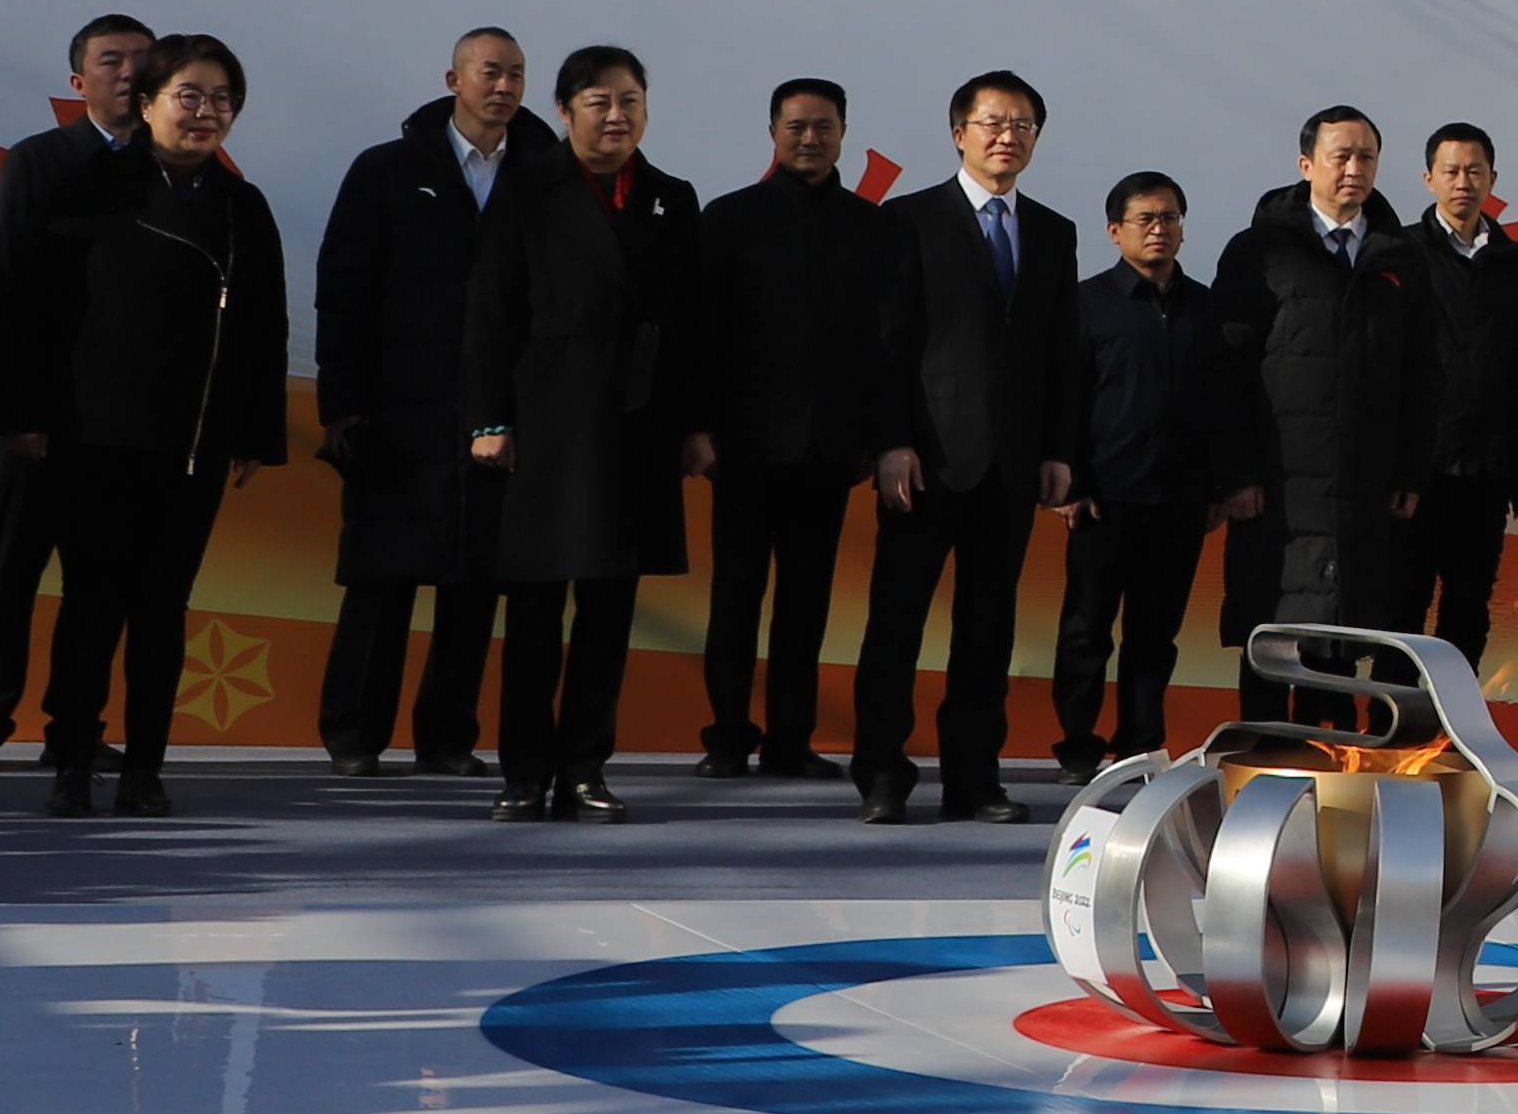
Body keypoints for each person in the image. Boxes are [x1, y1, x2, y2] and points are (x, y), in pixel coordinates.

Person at [0, 34, 289, 815]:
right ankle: (73, 762)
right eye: (189, 96)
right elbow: (29, 308)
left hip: (191, 444)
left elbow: (266, 328)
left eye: (223, 99)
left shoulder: (241, 205)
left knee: (164, 607)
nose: (207, 113)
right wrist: (21, 412)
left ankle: (146, 768)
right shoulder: (90, 185)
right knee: (91, 601)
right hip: (91, 435)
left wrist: (257, 431)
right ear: (147, 101)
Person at [462, 44, 711, 823]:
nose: (617, 115)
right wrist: (490, 419)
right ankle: (523, 773)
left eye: (630, 100)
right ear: (566, 111)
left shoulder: (672, 197)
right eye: (599, 102)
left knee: (609, 610)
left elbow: (697, 327)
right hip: (546, 419)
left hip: (637, 427)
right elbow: (489, 311)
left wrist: (697, 424)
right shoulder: (526, 188)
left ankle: (584, 768)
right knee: (535, 611)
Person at [311, 30, 537, 778]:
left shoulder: (543, 175)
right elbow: (342, 294)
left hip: (495, 414)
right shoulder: (387, 169)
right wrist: (342, 405)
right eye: (488, 73)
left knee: (475, 584)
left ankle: (446, 739)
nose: (502, 87)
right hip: (396, 412)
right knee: (381, 578)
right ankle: (352, 734)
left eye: (514, 75)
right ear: (453, 79)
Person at [860, 70, 1081, 824]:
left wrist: (1059, 450)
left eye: (1022, 124)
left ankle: (974, 778)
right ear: (960, 132)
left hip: (1013, 465)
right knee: (897, 622)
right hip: (924, 461)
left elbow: (1060, 351)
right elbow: (884, 346)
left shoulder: (1053, 232)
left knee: (989, 630)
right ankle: (883, 773)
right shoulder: (908, 220)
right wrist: (891, 442)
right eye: (992, 122)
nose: (1007, 136)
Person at [0, 11, 153, 768]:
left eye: (142, 61)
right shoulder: (38, 160)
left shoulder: (174, 170)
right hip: (37, 404)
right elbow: (1, 279)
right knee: (10, 570)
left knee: (99, 584)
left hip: (125, 417)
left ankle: (76, 730)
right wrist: (5, 398)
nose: (128, 73)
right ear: (78, 81)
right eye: (111, 60)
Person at [694, 78, 889, 782]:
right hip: (742, 449)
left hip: (830, 452)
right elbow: (700, 335)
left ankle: (790, 740)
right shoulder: (728, 218)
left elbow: (880, 346)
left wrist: (869, 441)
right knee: (735, 599)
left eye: (824, 127)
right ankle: (725, 737)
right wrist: (701, 428)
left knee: (806, 606)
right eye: (796, 127)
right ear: (773, 133)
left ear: (843, 133)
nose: (810, 139)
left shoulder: (871, 228)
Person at [1048, 171, 1260, 776]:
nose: (1159, 230)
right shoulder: (1087, 304)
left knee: (1154, 633)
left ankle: (1141, 741)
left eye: (1169, 218)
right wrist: (1073, 483)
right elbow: (1065, 396)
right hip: (1102, 497)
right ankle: (1077, 741)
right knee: (1087, 627)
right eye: (1145, 219)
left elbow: (1225, 404)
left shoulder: (1207, 310)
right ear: (1115, 232)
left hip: (1180, 497)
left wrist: (1219, 487)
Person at [1222, 103, 1429, 655]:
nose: (1354, 169)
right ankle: (1263, 744)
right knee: (1270, 632)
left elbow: (1421, 372)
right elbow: (1228, 368)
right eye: (1341, 156)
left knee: (1344, 636)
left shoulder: (1402, 258)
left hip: (1365, 479)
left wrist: (1409, 469)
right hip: (1277, 478)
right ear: (1306, 164)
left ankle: (1331, 744)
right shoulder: (1260, 250)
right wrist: (1238, 473)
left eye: (1367, 157)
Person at [1394, 119, 1518, 663]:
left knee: (1467, 606)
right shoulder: (1401, 255)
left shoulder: (1514, 266)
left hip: (1486, 473)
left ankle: (1447, 733)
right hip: (1415, 471)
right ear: (1429, 178)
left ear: (1492, 179)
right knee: (1401, 606)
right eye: (1452, 170)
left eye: (1474, 171)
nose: (1463, 181)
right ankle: (1391, 735)